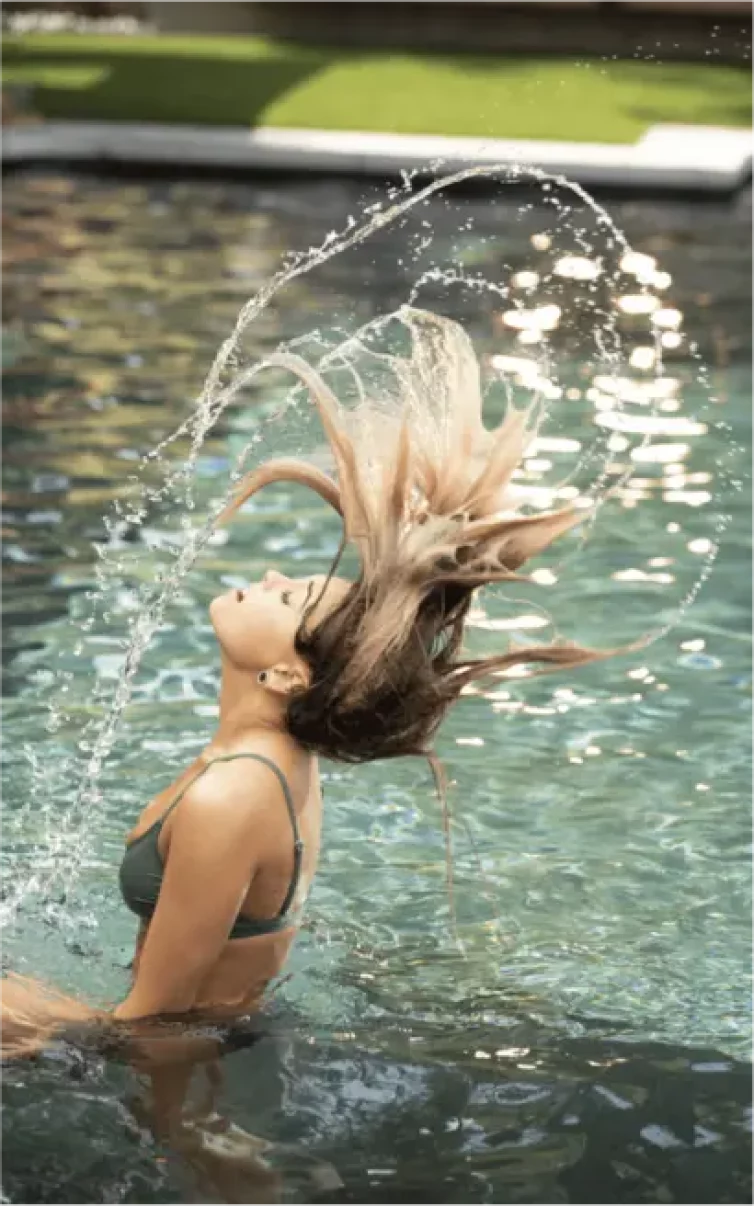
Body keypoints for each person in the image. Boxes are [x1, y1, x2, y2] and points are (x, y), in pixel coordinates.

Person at [0, 308, 617, 1056]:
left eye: (288, 596)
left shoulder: (234, 795)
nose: (266, 577)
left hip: (175, 1069)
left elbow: (156, 1022)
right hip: (213, 1044)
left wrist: (26, 1022)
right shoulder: (279, 759)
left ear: (286, 674)